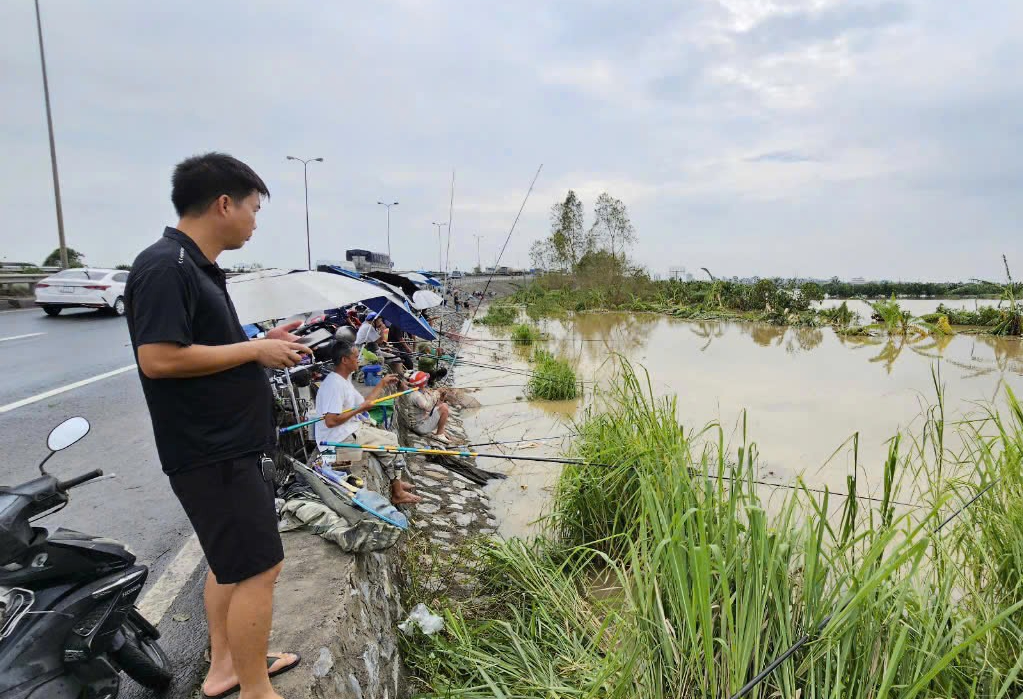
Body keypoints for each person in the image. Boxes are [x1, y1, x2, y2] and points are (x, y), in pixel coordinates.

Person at [125, 152, 305, 699]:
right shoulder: (166, 267)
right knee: (259, 569)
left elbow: (203, 351)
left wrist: (261, 345)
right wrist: (253, 350)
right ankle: (256, 690)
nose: (255, 222)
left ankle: (226, 667)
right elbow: (158, 358)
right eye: (254, 209)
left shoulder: (194, 267)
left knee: (230, 566)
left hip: (226, 448)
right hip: (214, 452)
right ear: (224, 204)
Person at [315, 340, 421, 505]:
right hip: (338, 439)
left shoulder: (344, 380)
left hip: (350, 429)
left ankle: (397, 482)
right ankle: (397, 492)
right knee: (391, 443)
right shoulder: (334, 385)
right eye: (356, 357)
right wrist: (359, 409)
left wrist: (382, 384)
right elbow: (330, 421)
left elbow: (365, 404)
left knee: (391, 437)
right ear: (344, 360)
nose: (359, 360)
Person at [398, 371, 451, 442]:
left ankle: (440, 430)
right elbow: (428, 408)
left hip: (421, 423)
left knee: (442, 406)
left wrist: (440, 399)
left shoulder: (418, 392)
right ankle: (439, 434)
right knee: (444, 407)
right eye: (426, 380)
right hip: (419, 427)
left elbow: (434, 406)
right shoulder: (416, 395)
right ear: (423, 383)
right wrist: (435, 394)